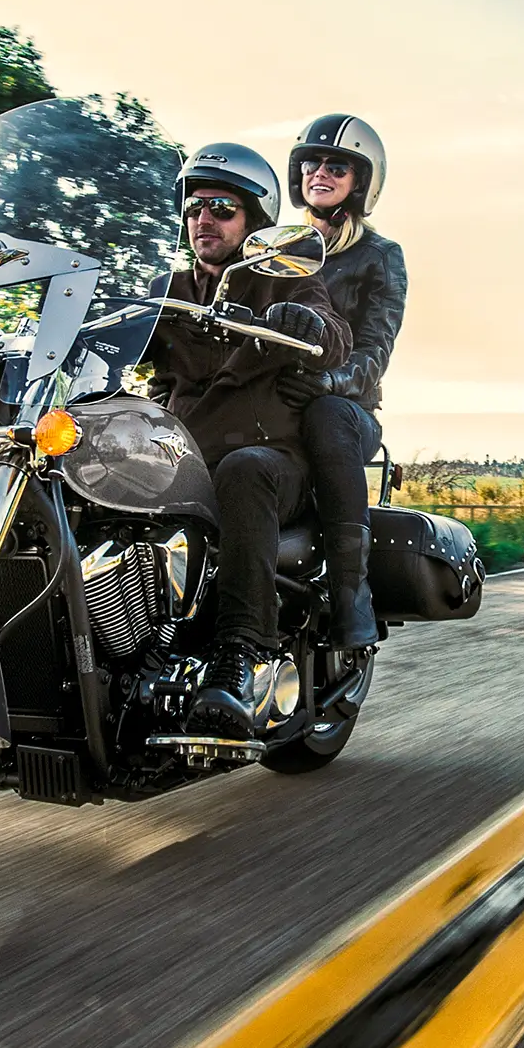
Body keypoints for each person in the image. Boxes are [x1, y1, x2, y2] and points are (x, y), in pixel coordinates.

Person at [145, 141, 350, 738]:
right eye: (192, 208)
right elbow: (144, 364)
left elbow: (333, 336)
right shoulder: (167, 287)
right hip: (183, 457)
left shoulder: (282, 279)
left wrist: (308, 323)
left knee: (244, 469)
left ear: (254, 222)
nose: (201, 218)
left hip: (271, 462)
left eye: (220, 207)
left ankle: (241, 657)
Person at [284, 115, 408, 649]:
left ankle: (350, 590)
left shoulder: (379, 257)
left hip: (348, 412)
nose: (321, 172)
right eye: (312, 162)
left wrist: (329, 384)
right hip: (278, 400)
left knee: (326, 416)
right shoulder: (274, 249)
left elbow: (375, 349)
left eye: (338, 165)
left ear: (361, 182)